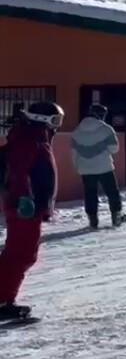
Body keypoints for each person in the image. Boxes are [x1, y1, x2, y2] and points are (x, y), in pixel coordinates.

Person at [0, 101, 63, 320]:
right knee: (21, 254)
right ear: (42, 120)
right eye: (55, 121)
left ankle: (5, 298)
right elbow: (19, 171)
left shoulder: (34, 138)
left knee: (19, 253)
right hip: (24, 207)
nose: (57, 126)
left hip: (28, 206)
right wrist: (24, 198)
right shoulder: (29, 140)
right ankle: (2, 300)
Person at [71, 104, 126, 229]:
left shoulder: (77, 131)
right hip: (104, 166)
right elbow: (114, 149)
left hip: (85, 168)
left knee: (90, 193)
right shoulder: (106, 129)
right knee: (112, 192)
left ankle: (93, 220)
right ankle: (116, 216)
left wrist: (77, 166)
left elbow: (74, 152)